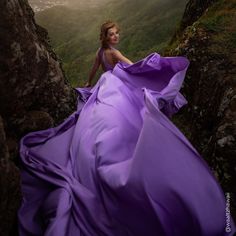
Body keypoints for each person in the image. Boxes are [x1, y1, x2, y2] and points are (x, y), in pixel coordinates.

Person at [18, 20, 236, 236]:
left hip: (105, 82)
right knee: (127, 108)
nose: (116, 37)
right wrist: (147, 68)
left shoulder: (99, 52)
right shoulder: (113, 53)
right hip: (114, 83)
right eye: (112, 34)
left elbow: (95, 69)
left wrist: (87, 83)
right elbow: (130, 65)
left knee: (104, 106)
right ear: (106, 37)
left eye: (116, 34)